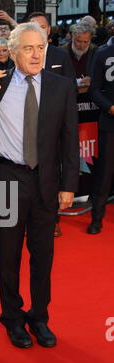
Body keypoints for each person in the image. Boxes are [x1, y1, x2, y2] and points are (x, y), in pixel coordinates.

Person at [0, 22, 79, 349]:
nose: (36, 54)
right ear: (12, 49)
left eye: (41, 47)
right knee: (8, 256)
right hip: (8, 178)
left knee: (43, 256)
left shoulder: (61, 86)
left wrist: (69, 185)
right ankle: (12, 317)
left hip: (47, 181)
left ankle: (39, 317)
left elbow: (69, 140)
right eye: (28, 48)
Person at [28, 12, 76, 237]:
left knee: (51, 174)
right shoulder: (21, 55)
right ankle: (28, 220)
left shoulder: (60, 55)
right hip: (29, 124)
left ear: (49, 30)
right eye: (34, 26)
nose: (39, 29)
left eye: (43, 26)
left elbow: (70, 88)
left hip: (54, 126)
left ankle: (52, 219)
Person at [86, 44, 114, 234]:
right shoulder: (103, 54)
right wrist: (110, 107)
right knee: (105, 173)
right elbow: (94, 89)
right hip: (110, 123)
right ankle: (97, 218)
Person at [62, 22, 97, 94]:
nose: (82, 46)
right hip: (68, 96)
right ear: (72, 37)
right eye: (78, 41)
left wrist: (92, 80)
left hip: (90, 97)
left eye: (85, 42)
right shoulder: (61, 52)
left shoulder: (96, 52)